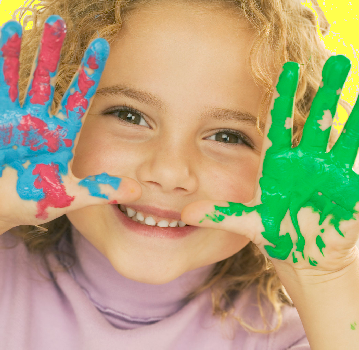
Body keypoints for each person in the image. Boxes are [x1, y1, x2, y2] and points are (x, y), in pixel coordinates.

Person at [0, 0, 358, 348]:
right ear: (56, 107)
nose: (170, 172)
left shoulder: (303, 336)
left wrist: (322, 279)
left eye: (227, 137)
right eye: (129, 116)